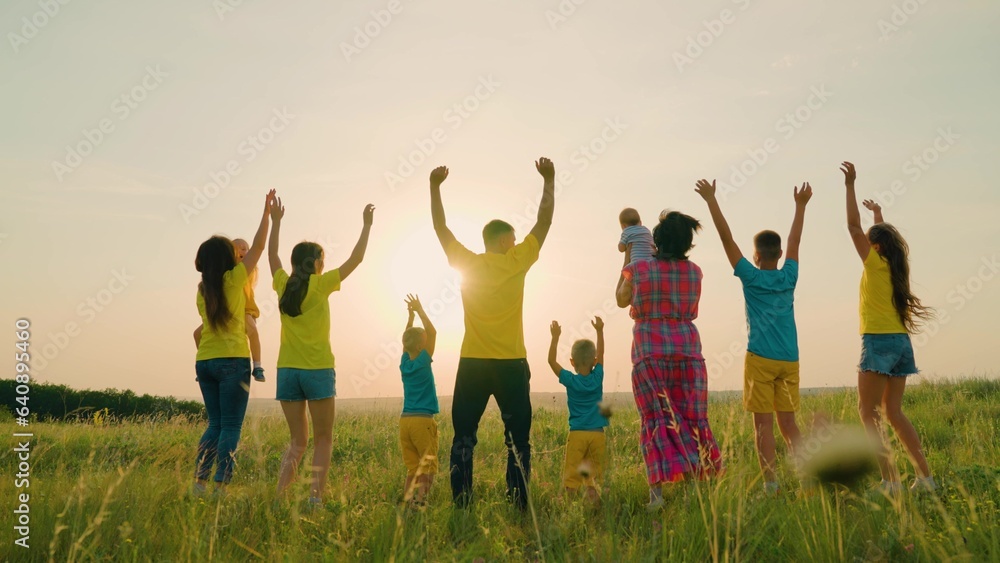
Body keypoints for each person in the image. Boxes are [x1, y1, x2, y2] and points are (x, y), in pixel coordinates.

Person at [429, 158, 556, 510]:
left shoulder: (468, 262)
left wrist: (435, 187)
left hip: (472, 364)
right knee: (518, 441)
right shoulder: (516, 262)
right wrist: (549, 179)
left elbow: (441, 228)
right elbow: (544, 222)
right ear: (503, 241)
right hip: (511, 365)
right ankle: (518, 504)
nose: (517, 244)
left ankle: (462, 504)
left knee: (464, 439)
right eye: (513, 240)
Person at [696, 178, 812, 496]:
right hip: (789, 359)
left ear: (756, 256)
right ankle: (807, 479)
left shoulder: (751, 276)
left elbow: (725, 238)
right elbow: (796, 241)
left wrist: (711, 201)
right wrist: (800, 206)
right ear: (778, 255)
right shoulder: (790, 275)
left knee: (763, 426)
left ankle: (771, 485)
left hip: (760, 360)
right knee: (789, 425)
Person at [268, 196, 376, 504]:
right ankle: (315, 499)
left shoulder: (281, 284)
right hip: (317, 370)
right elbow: (356, 260)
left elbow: (272, 255)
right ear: (316, 263)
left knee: (296, 441)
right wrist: (366, 227)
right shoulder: (322, 284)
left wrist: (276, 222)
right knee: (323, 439)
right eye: (322, 260)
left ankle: (280, 496)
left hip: (287, 371)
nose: (325, 264)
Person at [615, 210, 722, 511]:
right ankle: (692, 491)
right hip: (688, 352)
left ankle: (657, 497)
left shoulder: (639, 268)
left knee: (656, 421)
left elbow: (621, 299)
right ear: (688, 243)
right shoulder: (696, 272)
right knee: (691, 420)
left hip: (650, 350)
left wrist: (627, 262)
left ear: (656, 241)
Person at [842, 161, 936, 494]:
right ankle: (926, 479)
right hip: (900, 342)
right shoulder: (894, 266)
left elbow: (853, 229)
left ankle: (890, 481)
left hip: (879, 341)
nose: (865, 245)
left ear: (876, 247)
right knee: (893, 412)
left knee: (867, 412)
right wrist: (878, 215)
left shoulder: (875, 261)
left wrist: (850, 186)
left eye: (871, 241)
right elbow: (873, 234)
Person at [192, 189, 274, 495]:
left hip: (205, 361)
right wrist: (266, 214)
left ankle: (199, 483)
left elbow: (200, 331)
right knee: (230, 427)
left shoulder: (202, 291)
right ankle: (220, 486)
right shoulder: (234, 280)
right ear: (229, 258)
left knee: (214, 425)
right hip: (232, 362)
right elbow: (260, 247)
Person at [547, 317, 608, 502]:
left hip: (577, 434)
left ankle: (569, 508)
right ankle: (595, 507)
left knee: (572, 473)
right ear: (594, 360)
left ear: (572, 362)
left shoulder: (570, 380)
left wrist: (555, 337)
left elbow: (551, 361)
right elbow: (602, 353)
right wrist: (599, 330)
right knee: (594, 476)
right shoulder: (598, 376)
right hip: (598, 434)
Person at [193, 238, 266, 383]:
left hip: (245, 309)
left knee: (252, 330)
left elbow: (256, 251)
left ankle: (257, 366)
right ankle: (204, 362)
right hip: (227, 312)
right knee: (197, 334)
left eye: (245, 249)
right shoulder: (225, 277)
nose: (242, 251)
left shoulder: (242, 273)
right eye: (237, 249)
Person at [398, 294, 439, 506]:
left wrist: (410, 318)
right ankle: (420, 503)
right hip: (423, 421)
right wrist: (420, 311)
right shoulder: (423, 360)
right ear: (421, 347)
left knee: (413, 469)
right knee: (428, 467)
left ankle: (407, 503)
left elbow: (406, 342)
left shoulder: (405, 364)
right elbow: (432, 332)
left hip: (405, 422)